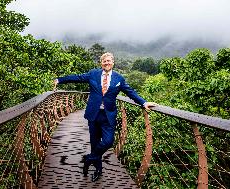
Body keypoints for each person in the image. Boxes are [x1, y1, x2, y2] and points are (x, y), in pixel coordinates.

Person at [53, 52, 156, 182]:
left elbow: (130, 92)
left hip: (108, 116)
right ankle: (98, 170)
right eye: (104, 61)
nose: (106, 63)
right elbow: (77, 77)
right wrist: (60, 80)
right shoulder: (93, 74)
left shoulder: (119, 79)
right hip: (94, 115)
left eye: (109, 61)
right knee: (95, 143)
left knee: (108, 141)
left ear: (113, 62)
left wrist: (143, 102)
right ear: (101, 63)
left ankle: (89, 159)